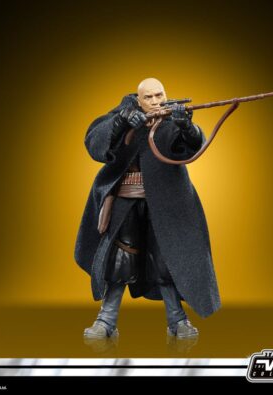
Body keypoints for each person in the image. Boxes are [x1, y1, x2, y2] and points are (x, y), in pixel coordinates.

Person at [74, 78, 220, 339]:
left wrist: (186, 126)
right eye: (149, 97)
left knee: (166, 259)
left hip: (167, 201)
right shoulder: (123, 114)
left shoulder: (171, 117)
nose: (155, 102)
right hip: (125, 200)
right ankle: (106, 321)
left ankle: (178, 320)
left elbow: (193, 146)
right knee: (119, 261)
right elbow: (95, 141)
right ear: (138, 99)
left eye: (159, 95)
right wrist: (121, 123)